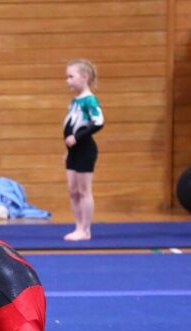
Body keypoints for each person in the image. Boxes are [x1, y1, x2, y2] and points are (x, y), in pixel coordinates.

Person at [62, 59, 104, 242]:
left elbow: (98, 122)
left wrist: (77, 138)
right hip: (74, 151)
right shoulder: (75, 101)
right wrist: (68, 150)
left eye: (71, 76)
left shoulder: (90, 100)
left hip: (86, 149)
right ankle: (78, 226)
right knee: (73, 190)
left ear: (84, 77)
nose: (68, 81)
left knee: (84, 190)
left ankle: (85, 230)